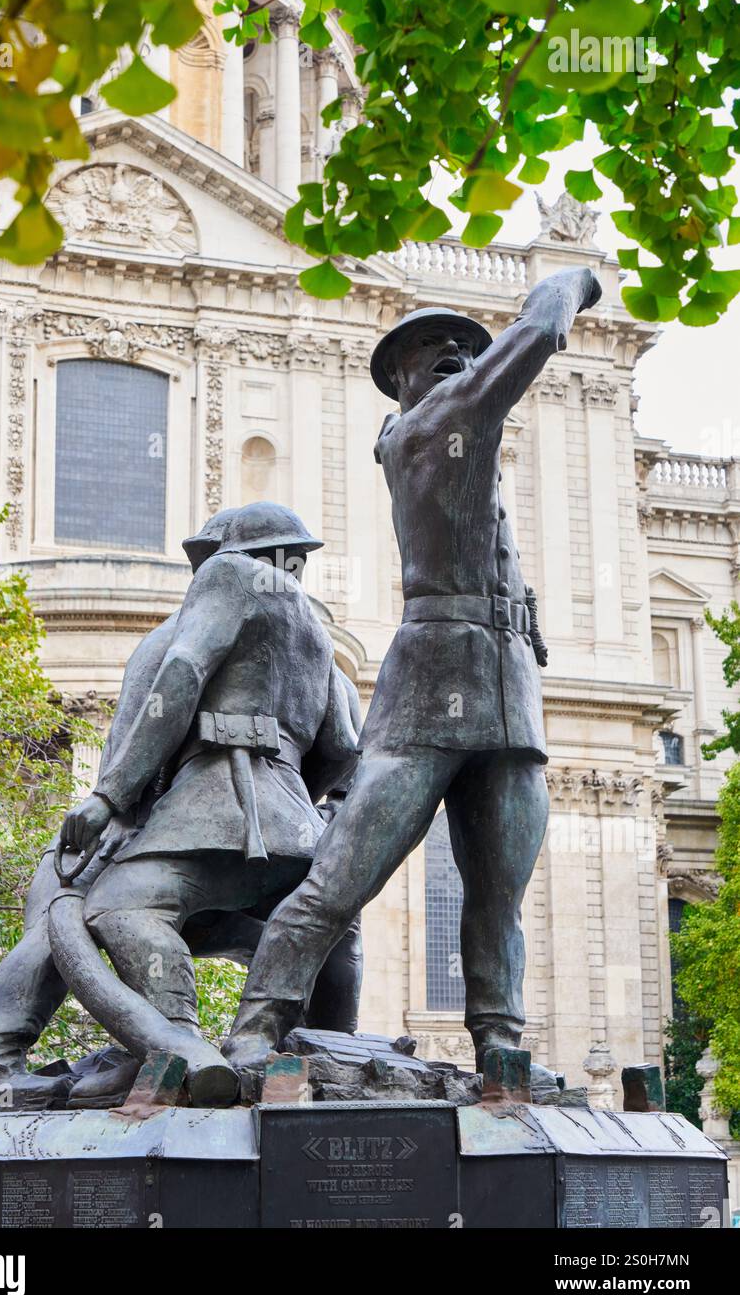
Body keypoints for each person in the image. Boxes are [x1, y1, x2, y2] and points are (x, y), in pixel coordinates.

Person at [224, 266, 603, 1072]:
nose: (455, 357)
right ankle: (256, 1028)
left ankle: (500, 1046)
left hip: (505, 692)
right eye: (430, 348)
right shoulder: (432, 426)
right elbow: (535, 333)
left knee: (499, 896)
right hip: (433, 680)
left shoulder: (467, 440)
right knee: (342, 876)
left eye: (465, 348)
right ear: (399, 379)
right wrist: (574, 282)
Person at [0, 506, 361, 1108]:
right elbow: (341, 751)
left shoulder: (219, 586)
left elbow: (169, 687)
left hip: (210, 816)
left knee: (90, 902)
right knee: (318, 931)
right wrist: (298, 807)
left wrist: (109, 799)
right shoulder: (318, 642)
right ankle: (322, 1050)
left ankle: (149, 1046)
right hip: (294, 834)